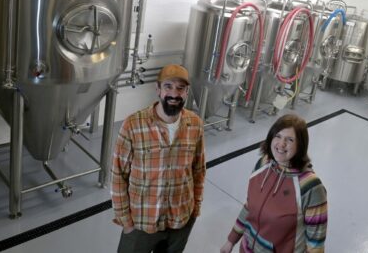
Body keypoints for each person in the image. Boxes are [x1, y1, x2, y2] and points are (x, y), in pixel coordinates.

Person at [111, 64, 205, 253]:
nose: (174, 93)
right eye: (168, 86)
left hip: (180, 219)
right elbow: (118, 174)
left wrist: (195, 209)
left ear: (187, 93)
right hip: (142, 222)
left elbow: (198, 169)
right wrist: (126, 221)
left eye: (180, 88)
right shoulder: (133, 124)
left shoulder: (195, 123)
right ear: (158, 89)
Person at [220, 114, 328, 253]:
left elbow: (316, 243)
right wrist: (231, 240)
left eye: (289, 139)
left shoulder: (310, 187)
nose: (281, 144)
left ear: (300, 145)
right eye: (278, 136)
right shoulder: (262, 164)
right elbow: (249, 207)